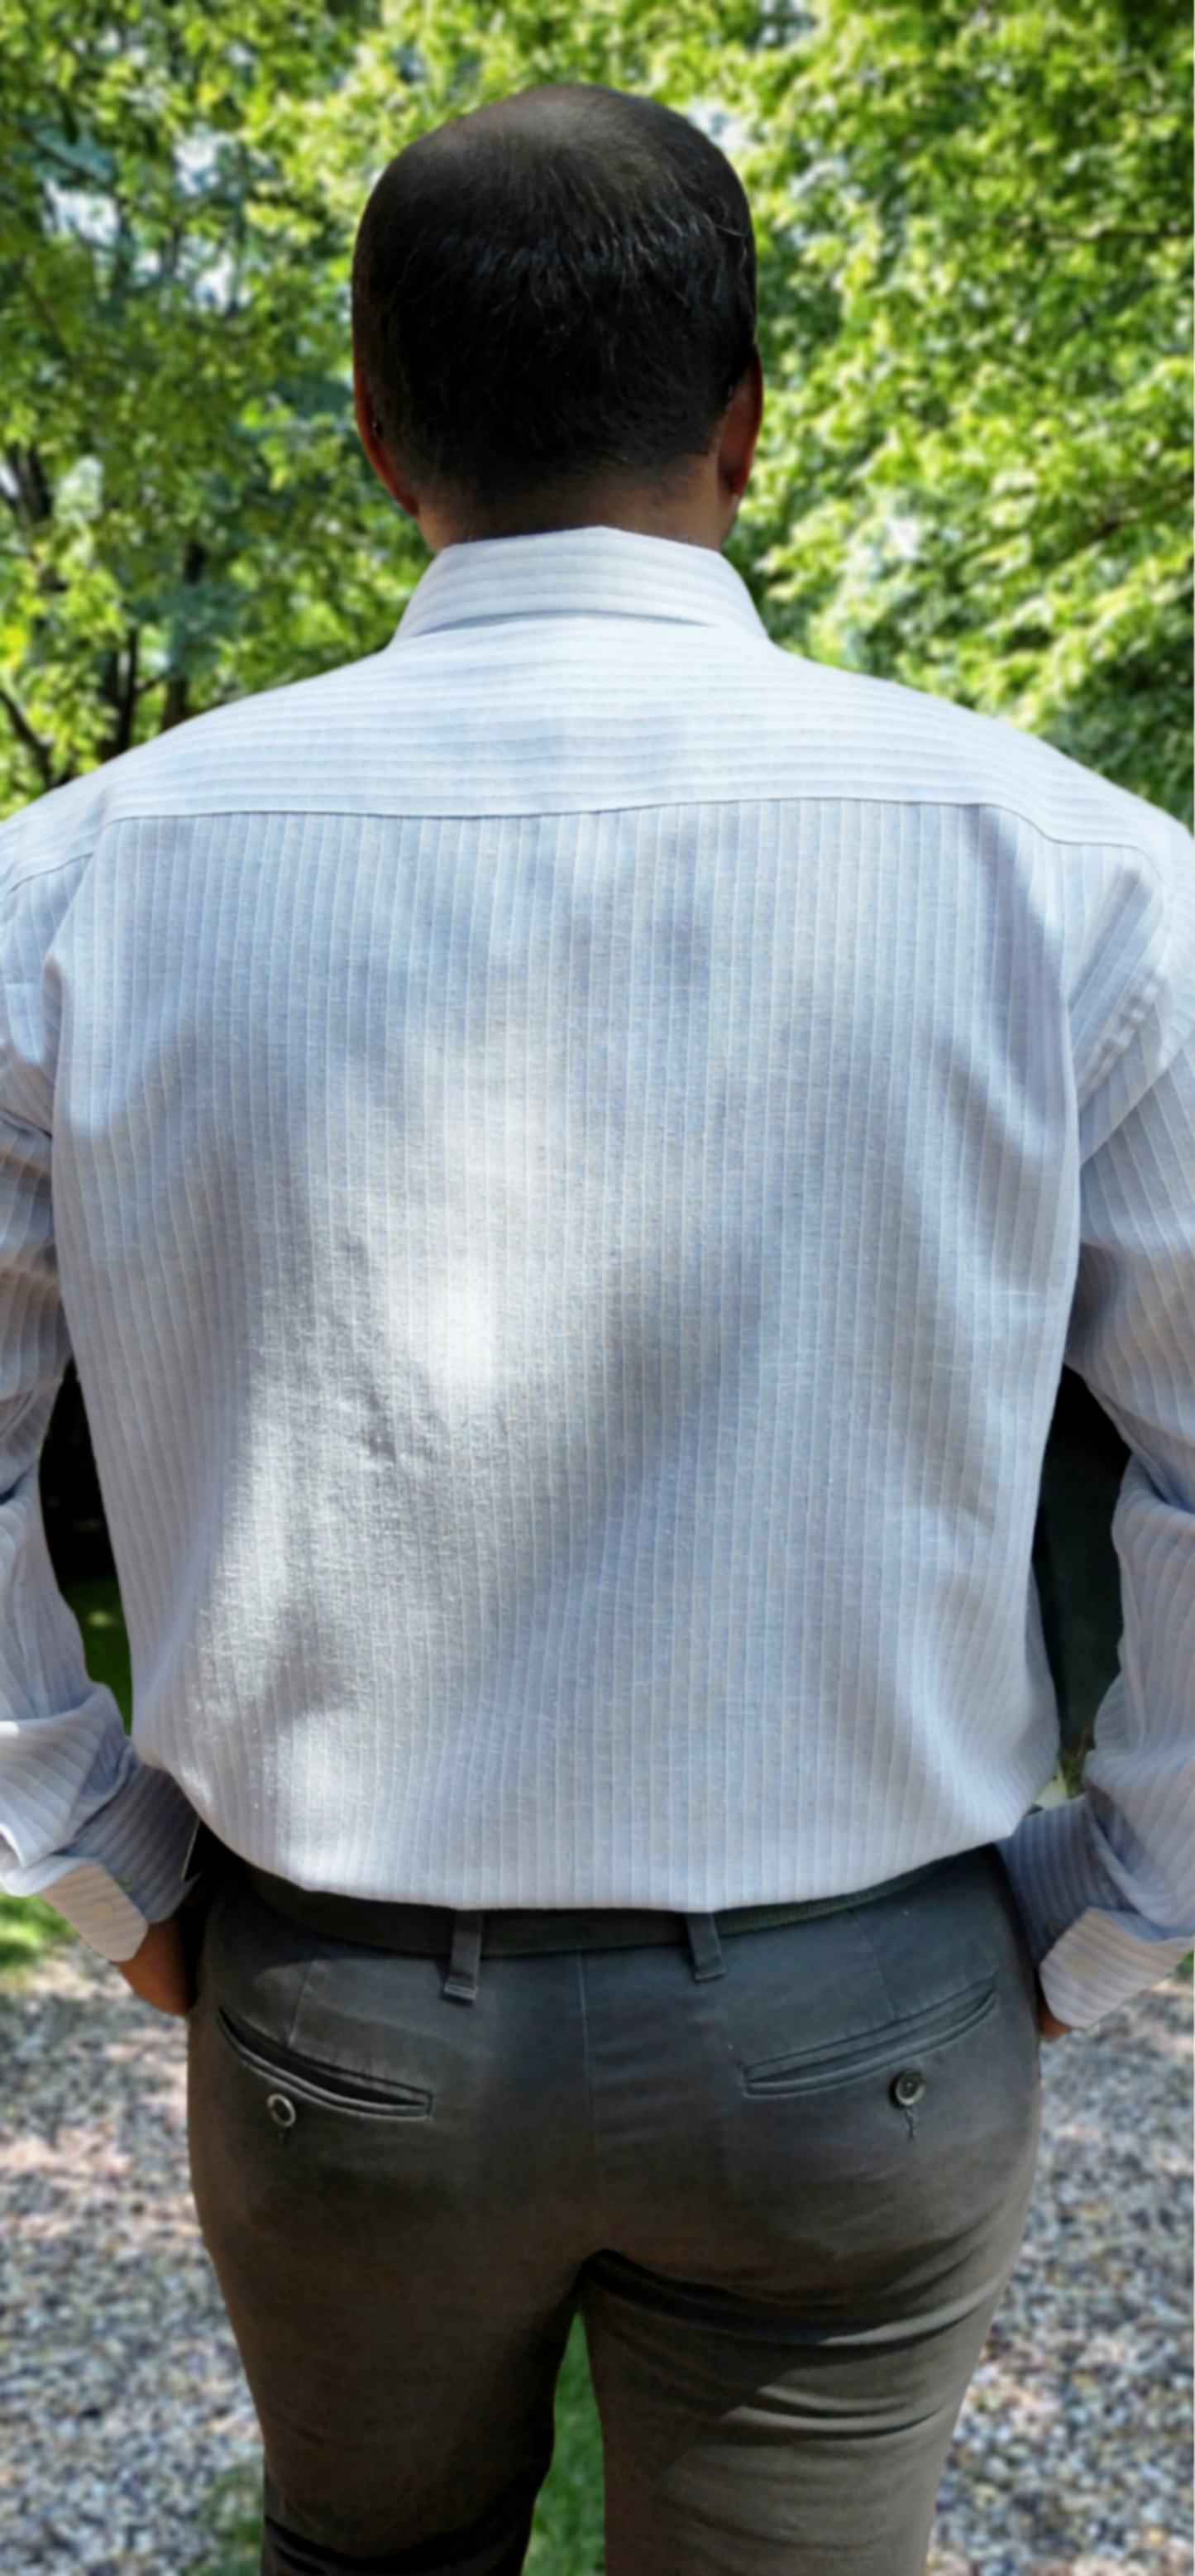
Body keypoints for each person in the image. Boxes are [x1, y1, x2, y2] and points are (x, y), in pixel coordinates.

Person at [2, 78, 1193, 2576]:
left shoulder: (81, 886)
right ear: (745, 427)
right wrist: (1113, 1908)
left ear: (369, 431)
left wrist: (108, 1863)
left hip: (331, 2012)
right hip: (863, 2015)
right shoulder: (1075, 877)